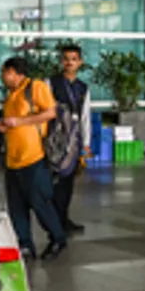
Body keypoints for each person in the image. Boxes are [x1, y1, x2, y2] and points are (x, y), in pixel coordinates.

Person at [0, 57, 68, 261]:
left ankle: (57, 237)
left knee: (40, 202)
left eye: (5, 72)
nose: (2, 76)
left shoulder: (35, 87)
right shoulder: (11, 94)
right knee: (16, 206)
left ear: (14, 72)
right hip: (13, 159)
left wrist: (20, 121)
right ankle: (24, 243)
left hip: (34, 157)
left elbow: (51, 112)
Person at [50, 44, 92, 234]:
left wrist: (86, 144)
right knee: (55, 180)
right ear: (61, 61)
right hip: (54, 138)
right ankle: (54, 221)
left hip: (74, 139)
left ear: (80, 62)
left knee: (68, 181)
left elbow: (85, 116)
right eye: (66, 59)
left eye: (74, 59)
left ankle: (63, 218)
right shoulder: (51, 83)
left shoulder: (83, 88)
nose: (70, 63)